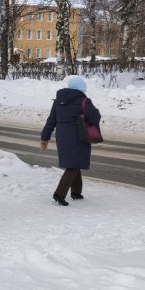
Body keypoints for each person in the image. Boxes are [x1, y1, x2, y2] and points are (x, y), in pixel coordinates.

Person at [40, 76, 102, 206]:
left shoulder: (58, 101)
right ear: (82, 89)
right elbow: (95, 118)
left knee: (74, 163)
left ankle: (76, 192)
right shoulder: (84, 101)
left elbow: (51, 121)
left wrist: (44, 138)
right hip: (78, 136)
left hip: (62, 136)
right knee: (73, 165)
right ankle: (59, 194)